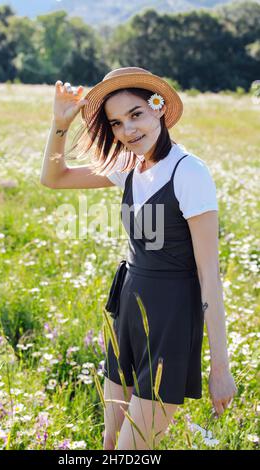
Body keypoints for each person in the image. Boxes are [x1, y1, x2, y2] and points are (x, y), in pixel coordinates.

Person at [40, 67, 237, 451]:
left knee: (134, 449)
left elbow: (209, 275)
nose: (128, 130)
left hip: (171, 321)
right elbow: (54, 177)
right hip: (127, 311)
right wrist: (59, 123)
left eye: (136, 114)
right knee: (110, 444)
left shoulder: (189, 172)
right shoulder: (128, 166)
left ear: (158, 108)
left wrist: (220, 367)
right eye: (116, 123)